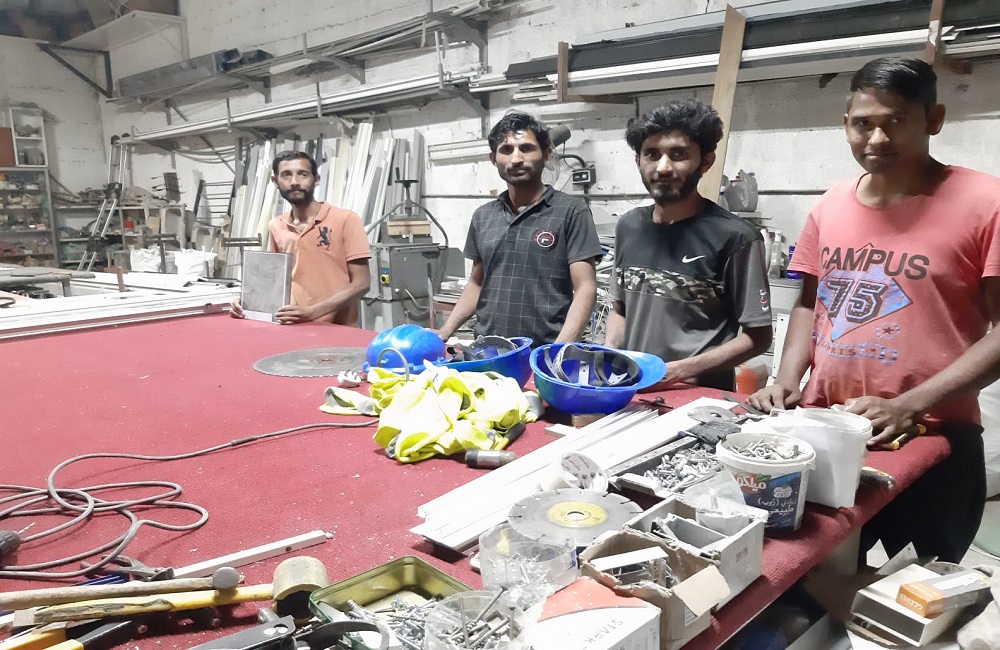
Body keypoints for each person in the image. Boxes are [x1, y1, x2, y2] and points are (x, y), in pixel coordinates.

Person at [748, 57, 1000, 563]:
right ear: (846, 124)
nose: (878, 138)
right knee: (819, 575)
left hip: (933, 437)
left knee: (925, 588)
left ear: (934, 119)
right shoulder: (830, 204)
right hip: (828, 430)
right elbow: (809, 303)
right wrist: (786, 378)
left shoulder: (985, 202)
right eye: (864, 123)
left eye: (896, 121)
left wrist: (910, 403)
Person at [603, 99, 772, 391]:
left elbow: (758, 337)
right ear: (638, 160)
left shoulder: (736, 237)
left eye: (678, 154)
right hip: (632, 389)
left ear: (705, 161)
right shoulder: (629, 226)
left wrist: (675, 372)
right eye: (652, 154)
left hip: (698, 398)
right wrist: (610, 355)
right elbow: (620, 310)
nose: (663, 167)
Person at [434, 111, 602, 345]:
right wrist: (445, 331)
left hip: (542, 352)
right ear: (493, 158)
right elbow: (477, 283)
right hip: (488, 350)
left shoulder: (571, 211)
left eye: (526, 148)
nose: (516, 159)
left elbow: (585, 288)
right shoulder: (483, 216)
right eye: (506, 150)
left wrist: (557, 351)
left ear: (546, 154)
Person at [230, 150, 371, 325]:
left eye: (303, 174)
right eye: (286, 175)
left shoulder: (346, 220)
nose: (294, 182)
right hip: (292, 323)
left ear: (316, 179)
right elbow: (275, 281)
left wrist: (312, 313)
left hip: (335, 329)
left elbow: (361, 284)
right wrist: (246, 300)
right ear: (275, 181)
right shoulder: (276, 225)